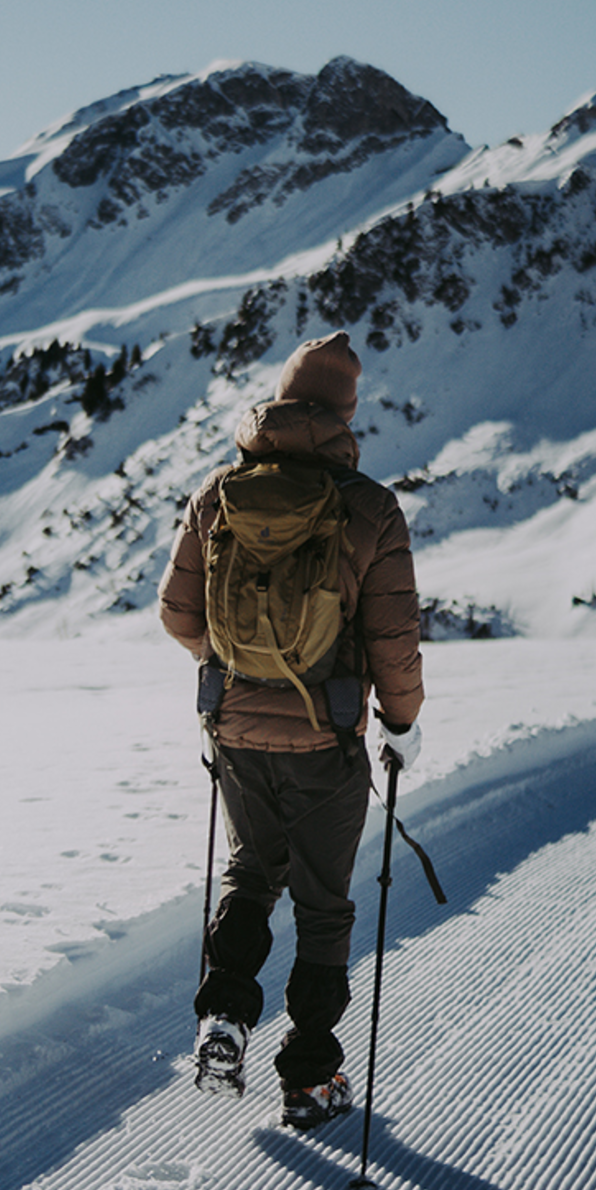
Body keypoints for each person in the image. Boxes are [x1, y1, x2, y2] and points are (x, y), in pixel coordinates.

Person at [157, 330, 424, 1129]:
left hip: (236, 730)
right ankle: (310, 1078)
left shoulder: (220, 491)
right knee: (323, 905)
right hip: (327, 740)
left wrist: (237, 673)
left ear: (278, 401)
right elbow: (393, 642)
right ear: (344, 414)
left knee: (248, 874)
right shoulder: (369, 507)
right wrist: (401, 725)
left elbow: (177, 615)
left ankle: (225, 1018)